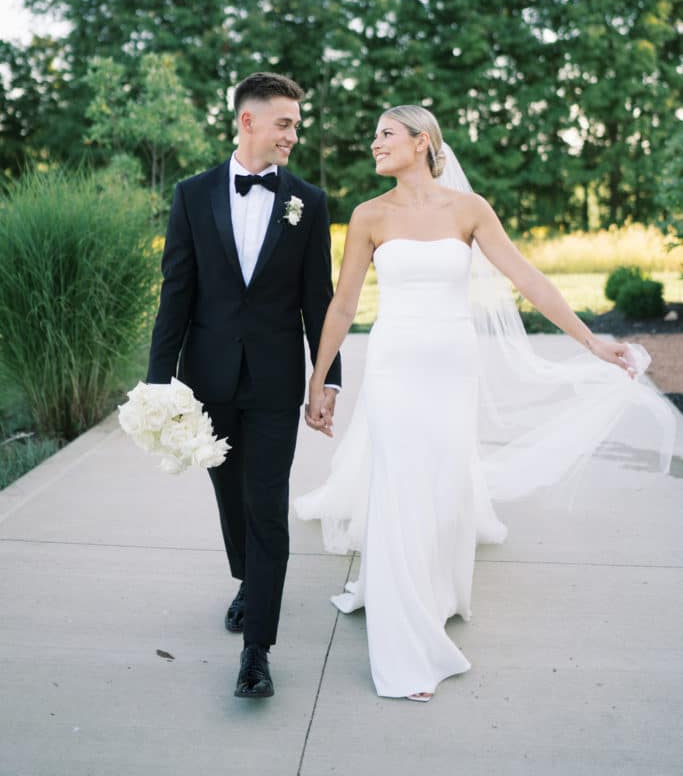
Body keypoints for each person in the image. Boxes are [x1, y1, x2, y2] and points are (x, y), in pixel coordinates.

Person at [297, 104, 677, 702]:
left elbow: (528, 279)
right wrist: (319, 379)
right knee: (399, 489)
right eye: (374, 135)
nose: (374, 144)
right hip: (395, 366)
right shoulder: (369, 215)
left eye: (386, 134)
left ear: (422, 142)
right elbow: (343, 305)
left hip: (452, 367)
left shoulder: (469, 210)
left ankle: (436, 594)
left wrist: (592, 342)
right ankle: (406, 645)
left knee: (443, 486)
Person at [146, 72, 342, 699]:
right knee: (230, 496)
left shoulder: (308, 201)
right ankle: (247, 580)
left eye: (297, 125)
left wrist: (327, 380)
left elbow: (319, 299)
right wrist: (158, 384)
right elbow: (177, 293)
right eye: (285, 123)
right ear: (248, 120)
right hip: (209, 381)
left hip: (276, 382)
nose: (294, 135)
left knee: (266, 504)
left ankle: (257, 651)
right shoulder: (192, 195)